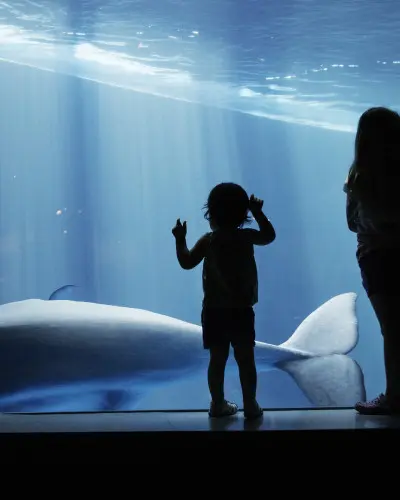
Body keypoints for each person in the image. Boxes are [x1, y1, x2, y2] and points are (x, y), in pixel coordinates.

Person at [172, 182, 276, 419]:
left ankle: (217, 404)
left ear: (211, 214)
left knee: (217, 360)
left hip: (214, 311)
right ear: (243, 215)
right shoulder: (246, 237)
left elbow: (186, 262)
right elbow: (269, 236)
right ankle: (250, 404)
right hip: (241, 310)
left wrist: (180, 239)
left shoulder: (208, 241)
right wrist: (258, 213)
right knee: (246, 360)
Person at [344, 106, 400, 415]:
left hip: (376, 259)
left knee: (392, 330)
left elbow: (352, 222)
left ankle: (395, 396)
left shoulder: (358, 174)